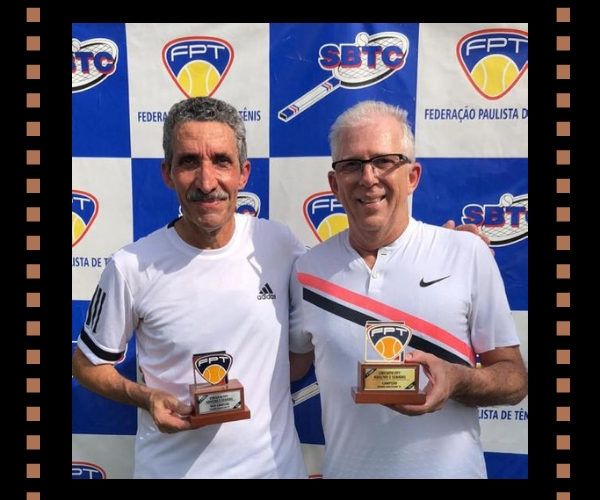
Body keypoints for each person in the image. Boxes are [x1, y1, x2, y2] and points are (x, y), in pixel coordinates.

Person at [289, 100, 528, 479]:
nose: (368, 177)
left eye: (385, 161)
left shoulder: (466, 253)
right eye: (351, 165)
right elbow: (285, 367)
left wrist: (456, 379)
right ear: (334, 184)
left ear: (412, 176)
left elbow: (514, 380)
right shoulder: (307, 270)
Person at [72, 97, 308, 479]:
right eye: (189, 162)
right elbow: (86, 366)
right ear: (167, 173)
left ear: (244, 173)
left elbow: (334, 306)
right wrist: (146, 397)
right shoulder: (130, 266)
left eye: (221, 161)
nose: (206, 181)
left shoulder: (280, 245)